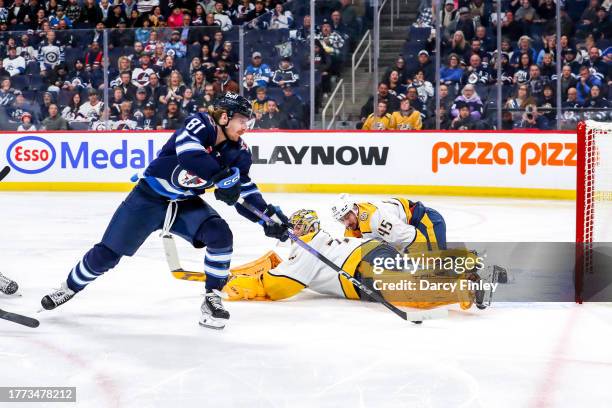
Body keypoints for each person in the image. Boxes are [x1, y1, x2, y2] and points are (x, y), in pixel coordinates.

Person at [40, 92, 290, 330]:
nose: (246, 126)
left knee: (220, 235)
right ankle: (69, 287)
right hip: (148, 198)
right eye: (242, 120)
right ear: (224, 117)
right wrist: (221, 178)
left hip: (184, 203)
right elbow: (190, 156)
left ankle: (212, 297)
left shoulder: (239, 153)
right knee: (107, 254)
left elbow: (245, 193)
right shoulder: (199, 123)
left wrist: (267, 218)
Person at [222, 210, 489, 310]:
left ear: (306, 228)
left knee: (409, 292)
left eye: (296, 227)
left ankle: (464, 287)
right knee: (413, 275)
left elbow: (281, 286)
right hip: (370, 254)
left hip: (363, 266)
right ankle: (463, 262)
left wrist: (241, 283)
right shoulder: (317, 240)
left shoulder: (308, 247)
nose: (293, 232)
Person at [332, 193, 447, 252]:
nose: (346, 223)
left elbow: (414, 239)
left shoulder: (375, 219)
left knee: (436, 263)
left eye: (347, 216)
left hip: (426, 222)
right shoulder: (351, 227)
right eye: (342, 220)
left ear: (355, 210)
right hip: (407, 230)